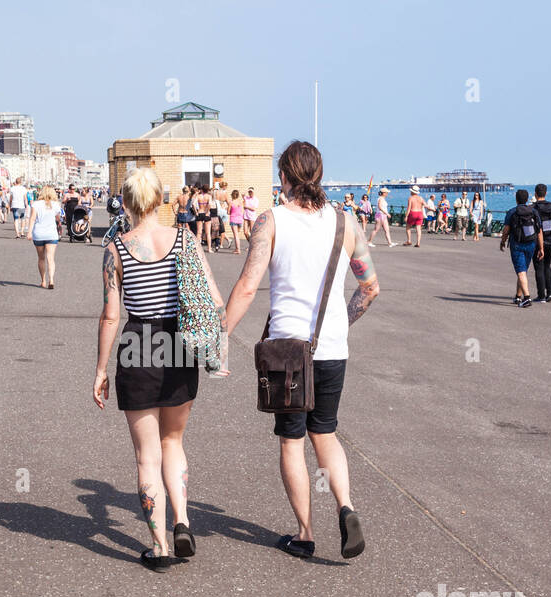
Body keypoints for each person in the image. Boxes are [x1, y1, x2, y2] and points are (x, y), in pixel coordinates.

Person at [222, 141, 379, 561]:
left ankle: (306, 533)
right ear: (321, 176)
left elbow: (249, 286)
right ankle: (346, 507)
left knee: (292, 441)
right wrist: (340, 324)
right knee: (325, 431)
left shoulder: (270, 221)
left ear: (285, 178)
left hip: (286, 354)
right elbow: (370, 287)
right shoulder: (348, 225)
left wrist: (220, 335)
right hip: (332, 350)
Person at [93, 167, 227, 567]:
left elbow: (110, 316)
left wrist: (101, 370)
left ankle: (160, 546)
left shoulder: (115, 248)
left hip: (137, 346)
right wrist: (217, 352)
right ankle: (182, 521)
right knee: (174, 443)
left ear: (128, 203)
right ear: (159, 199)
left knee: (146, 455)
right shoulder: (185, 240)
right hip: (179, 346)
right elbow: (213, 301)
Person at [499, 188, 543, 307]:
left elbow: (506, 229)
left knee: (521, 271)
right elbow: (539, 231)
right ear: (527, 199)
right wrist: (541, 248)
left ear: (516, 199)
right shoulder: (534, 212)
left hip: (517, 244)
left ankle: (527, 298)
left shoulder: (512, 212)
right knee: (523, 270)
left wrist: (502, 241)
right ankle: (518, 297)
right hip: (531, 244)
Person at [531, 183, 551, 302]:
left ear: (535, 194)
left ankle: (541, 295)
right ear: (546, 193)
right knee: (547, 266)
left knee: (539, 268)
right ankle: (550, 293)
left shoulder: (533, 208)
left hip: (537, 242)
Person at [26, 185, 61, 288]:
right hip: (51, 234)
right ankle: (51, 280)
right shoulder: (56, 204)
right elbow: (58, 219)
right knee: (50, 258)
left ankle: (43, 281)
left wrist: (29, 232)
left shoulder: (36, 204)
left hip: (38, 233)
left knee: (41, 258)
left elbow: (32, 219)